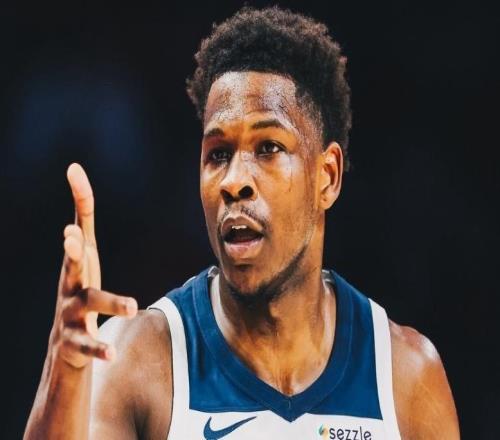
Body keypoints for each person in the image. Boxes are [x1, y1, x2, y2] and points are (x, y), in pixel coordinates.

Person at [24, 6, 459, 440]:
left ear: (326, 177)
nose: (234, 181)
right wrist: (62, 374)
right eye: (218, 154)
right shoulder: (138, 361)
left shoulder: (404, 378)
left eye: (268, 148)